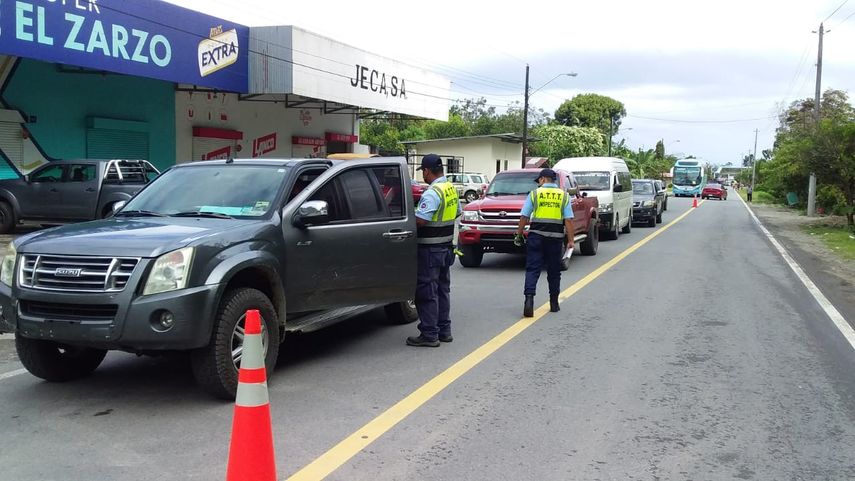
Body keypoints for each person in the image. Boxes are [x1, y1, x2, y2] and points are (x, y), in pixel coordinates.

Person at [407, 154, 461, 347]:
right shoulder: (450, 189)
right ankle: (444, 330)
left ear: (427, 171)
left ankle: (430, 334)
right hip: (446, 247)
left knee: (427, 292)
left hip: (430, 249)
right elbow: (457, 213)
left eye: (423, 171)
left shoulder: (432, 192)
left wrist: (407, 219)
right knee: (442, 289)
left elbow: (421, 220)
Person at [515, 168, 574, 317]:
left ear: (542, 180)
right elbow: (568, 220)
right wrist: (571, 241)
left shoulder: (535, 194)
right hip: (555, 239)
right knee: (554, 271)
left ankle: (529, 301)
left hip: (536, 237)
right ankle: (554, 303)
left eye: (539, 181)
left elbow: (524, 216)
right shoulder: (563, 196)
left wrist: (519, 234)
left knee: (532, 269)